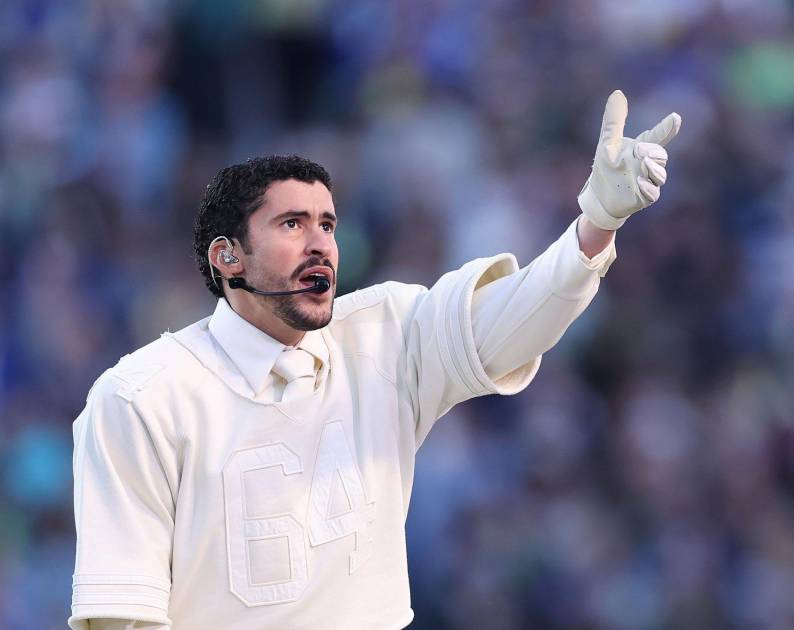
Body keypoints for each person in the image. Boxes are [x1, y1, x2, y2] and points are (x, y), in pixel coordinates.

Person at [69, 90, 680, 630]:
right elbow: (125, 615)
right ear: (228, 257)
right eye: (292, 224)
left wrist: (597, 223)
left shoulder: (384, 334)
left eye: (328, 225)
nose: (321, 245)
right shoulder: (141, 397)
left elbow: (514, 321)